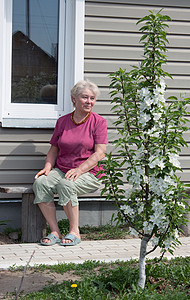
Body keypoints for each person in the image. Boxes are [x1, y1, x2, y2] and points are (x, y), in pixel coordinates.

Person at [33, 80, 108, 246]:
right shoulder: (63, 121)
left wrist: (80, 170)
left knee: (67, 185)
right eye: (85, 97)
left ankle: (75, 231)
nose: (89, 101)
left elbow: (100, 153)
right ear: (74, 99)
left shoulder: (99, 122)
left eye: (92, 98)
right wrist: (47, 167)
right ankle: (55, 231)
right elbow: (54, 149)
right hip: (62, 169)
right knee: (41, 183)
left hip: (89, 172)